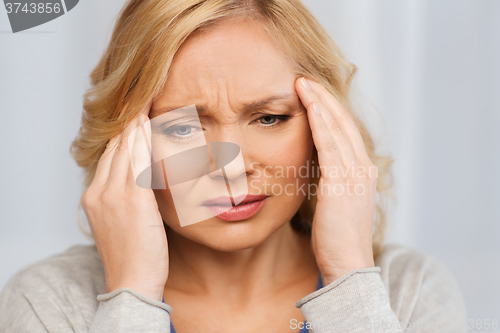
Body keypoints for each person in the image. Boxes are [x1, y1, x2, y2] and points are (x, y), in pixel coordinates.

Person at [0, 0, 468, 332]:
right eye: (182, 129)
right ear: (119, 142)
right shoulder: (49, 299)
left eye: (269, 117)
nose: (232, 168)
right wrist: (132, 298)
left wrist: (349, 279)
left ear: (328, 127)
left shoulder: (409, 290)